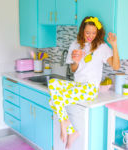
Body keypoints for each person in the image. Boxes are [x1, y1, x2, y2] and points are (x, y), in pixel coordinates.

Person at [48, 16, 120, 149]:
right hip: (77, 85)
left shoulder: (102, 47)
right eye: (88, 32)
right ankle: (70, 129)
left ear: (97, 33)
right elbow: (73, 69)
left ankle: (66, 124)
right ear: (82, 31)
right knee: (52, 83)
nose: (90, 36)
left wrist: (114, 45)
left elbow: (116, 66)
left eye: (94, 33)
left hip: (90, 89)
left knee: (54, 101)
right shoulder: (75, 45)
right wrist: (75, 61)